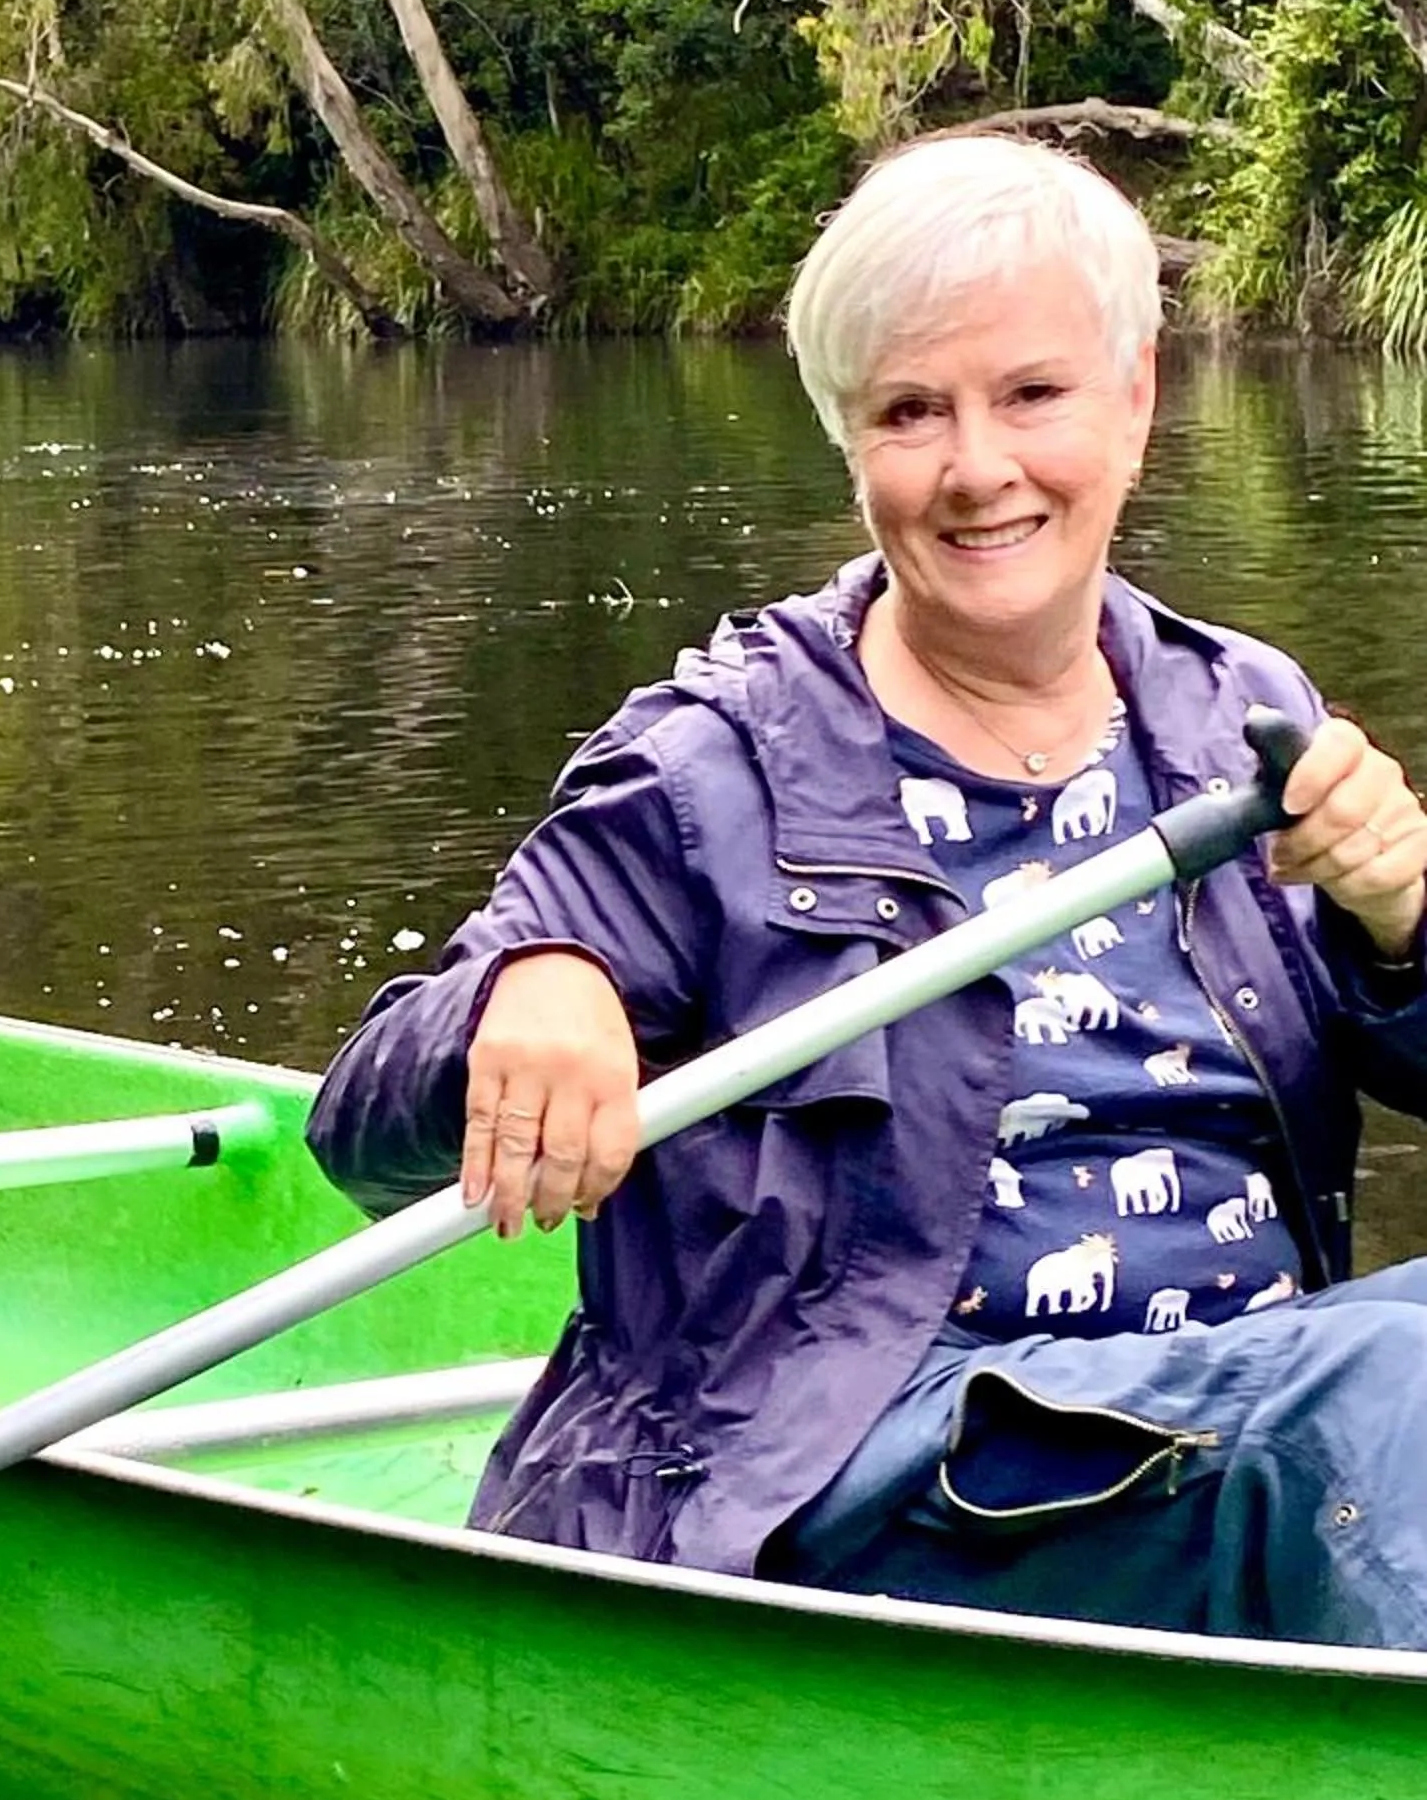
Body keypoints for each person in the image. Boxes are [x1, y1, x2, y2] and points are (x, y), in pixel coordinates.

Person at [306, 132, 1427, 1648]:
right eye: (912, 412)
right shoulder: (710, 766)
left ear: (1136, 400)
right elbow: (365, 1126)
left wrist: (1395, 926)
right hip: (865, 1472)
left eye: (1031, 395)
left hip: (1238, 1424)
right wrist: (533, 988)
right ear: (852, 442)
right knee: (1378, 1400)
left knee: (1359, 1398)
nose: (978, 469)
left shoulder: (1235, 711)